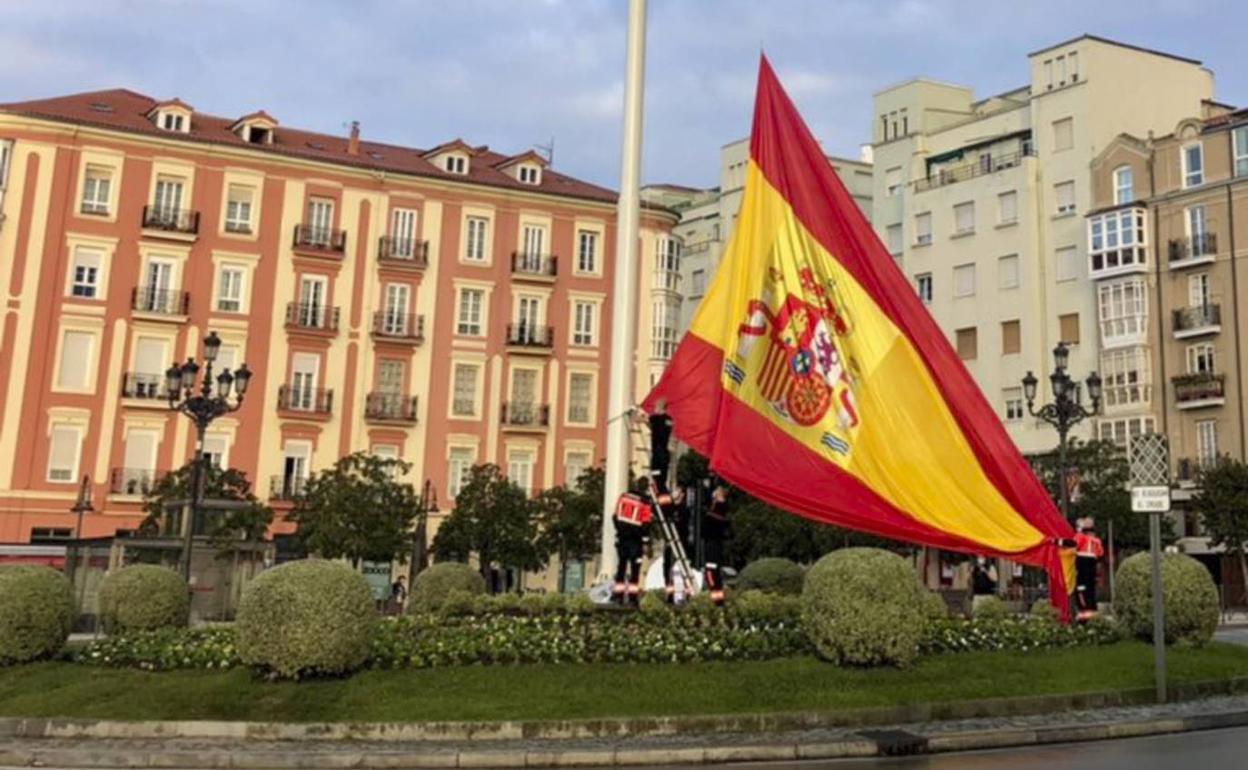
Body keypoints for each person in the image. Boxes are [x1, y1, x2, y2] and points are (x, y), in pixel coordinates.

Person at [611, 486, 652, 606]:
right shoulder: (645, 502)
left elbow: (615, 516)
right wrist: (646, 542)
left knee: (621, 568)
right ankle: (632, 598)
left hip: (622, 539)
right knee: (635, 570)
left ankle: (618, 596)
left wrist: (620, 530)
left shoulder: (623, 497)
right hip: (636, 541)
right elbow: (645, 524)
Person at [660, 487, 690, 604]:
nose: (675, 493)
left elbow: (682, 524)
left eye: (678, 490)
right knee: (667, 568)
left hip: (680, 542)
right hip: (670, 542)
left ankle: (687, 594)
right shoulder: (670, 508)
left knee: (684, 569)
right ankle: (670, 594)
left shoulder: (684, 509)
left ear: (682, 494)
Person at [702, 484, 730, 606]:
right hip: (715, 547)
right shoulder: (717, 510)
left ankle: (716, 602)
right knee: (715, 576)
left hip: (712, 548)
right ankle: (718, 601)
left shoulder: (718, 511)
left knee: (711, 575)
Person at [1074, 517, 1105, 621]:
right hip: (1093, 564)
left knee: (1080, 587)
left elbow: (1073, 545)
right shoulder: (1097, 541)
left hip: (1082, 563)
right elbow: (1100, 554)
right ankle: (1092, 610)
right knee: (1090, 588)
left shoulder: (1080, 537)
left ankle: (1084, 610)